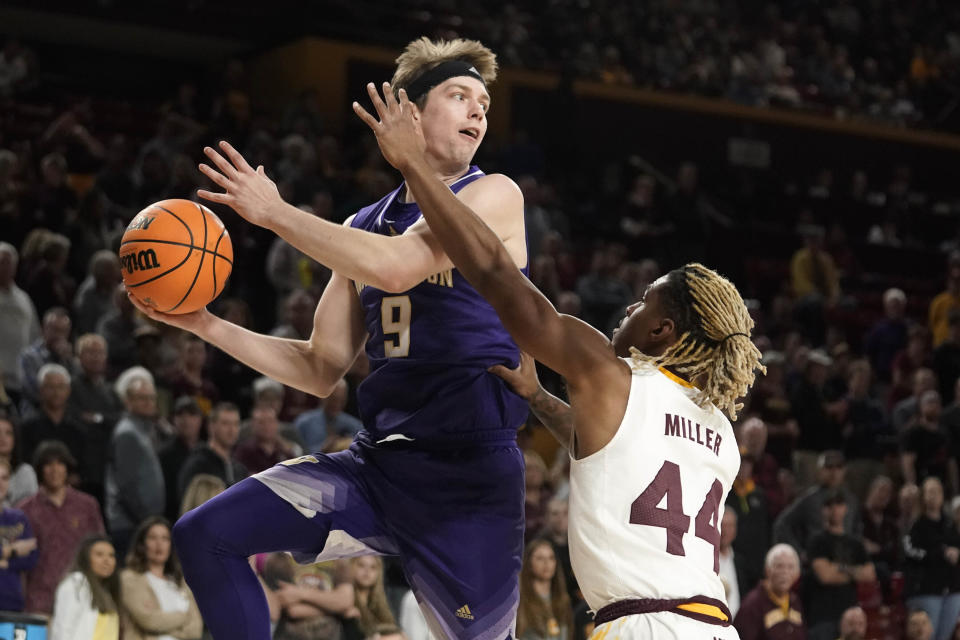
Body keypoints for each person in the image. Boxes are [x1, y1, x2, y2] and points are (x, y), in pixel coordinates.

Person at [132, 37, 529, 640]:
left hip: (469, 475)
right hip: (382, 464)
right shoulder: (361, 227)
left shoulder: (496, 194)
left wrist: (275, 213)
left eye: (483, 100)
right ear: (410, 113)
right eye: (459, 95)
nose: (478, 110)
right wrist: (204, 323)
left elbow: (397, 267)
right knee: (204, 535)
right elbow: (320, 367)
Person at [354, 81, 763, 637]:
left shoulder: (611, 375)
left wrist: (414, 168)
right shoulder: (718, 429)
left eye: (645, 302)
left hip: (642, 627)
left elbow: (499, 277)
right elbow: (618, 453)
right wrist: (539, 398)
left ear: (665, 330)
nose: (630, 307)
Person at [19, 439, 105, 614]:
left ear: (67, 467)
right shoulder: (24, 510)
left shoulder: (87, 506)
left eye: (60, 463)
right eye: (48, 464)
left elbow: (100, 548)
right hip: (40, 600)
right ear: (39, 469)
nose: (55, 470)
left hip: (82, 597)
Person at [104, 367, 164, 558]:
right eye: (142, 398)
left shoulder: (145, 430)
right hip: (130, 525)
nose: (149, 403)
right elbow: (127, 485)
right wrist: (147, 522)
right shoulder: (127, 433)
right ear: (127, 401)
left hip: (141, 523)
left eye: (151, 398)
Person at [803, 489, 876, 640]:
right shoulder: (817, 541)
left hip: (849, 618)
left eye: (839, 504)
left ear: (846, 508)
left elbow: (869, 575)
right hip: (822, 618)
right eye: (830, 505)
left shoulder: (856, 543)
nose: (835, 509)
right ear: (824, 510)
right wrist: (855, 573)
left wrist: (839, 569)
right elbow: (826, 576)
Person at [120, 516, 203, 640]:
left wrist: (167, 627)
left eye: (165, 538)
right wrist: (184, 617)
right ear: (142, 544)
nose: (159, 544)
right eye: (153, 538)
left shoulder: (180, 581)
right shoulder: (129, 578)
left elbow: (196, 630)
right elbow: (149, 621)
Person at [903, 476, 960, 640]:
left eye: (938, 491)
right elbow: (910, 552)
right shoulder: (915, 524)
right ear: (923, 496)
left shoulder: (950, 524)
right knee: (925, 637)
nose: (934, 496)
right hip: (925, 590)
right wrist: (940, 554)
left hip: (952, 588)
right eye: (930, 492)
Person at [49, 534, 120, 640]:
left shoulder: (106, 590)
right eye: (99, 555)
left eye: (111, 555)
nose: (107, 560)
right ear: (85, 558)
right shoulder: (77, 582)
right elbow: (63, 628)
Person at [176, 402, 246, 502]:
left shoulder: (239, 468)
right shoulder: (198, 465)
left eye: (236, 424)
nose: (232, 430)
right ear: (211, 426)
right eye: (225, 423)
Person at [734, 544, 805, 640]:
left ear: (797, 574)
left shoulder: (795, 601)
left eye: (790, 567)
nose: (785, 572)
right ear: (767, 570)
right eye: (779, 566)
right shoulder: (752, 604)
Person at [0, 458, 38, 611]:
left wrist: (4, 563)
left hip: (11, 602)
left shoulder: (17, 518)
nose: (0, 483)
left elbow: (31, 559)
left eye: (4, 478)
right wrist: (11, 551)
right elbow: (21, 553)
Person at [516, 538, 572, 640]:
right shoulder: (521, 602)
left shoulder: (563, 600)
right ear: (528, 562)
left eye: (551, 558)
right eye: (540, 558)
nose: (547, 563)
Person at [343, 555, 396, 640]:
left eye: (373, 567)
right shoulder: (345, 602)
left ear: (379, 572)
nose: (367, 571)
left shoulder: (381, 606)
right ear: (352, 566)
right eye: (361, 565)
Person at [0, 411, 37, 506]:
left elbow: (32, 508)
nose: (2, 438)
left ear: (15, 438)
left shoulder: (25, 472)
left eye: (8, 433)